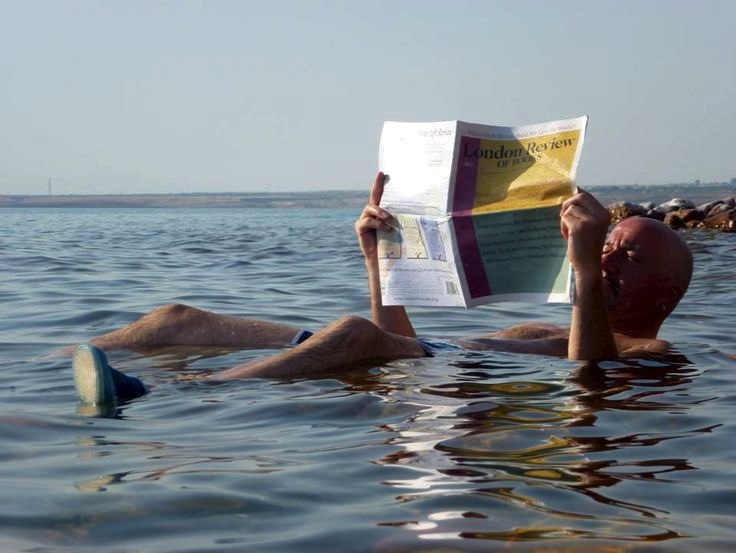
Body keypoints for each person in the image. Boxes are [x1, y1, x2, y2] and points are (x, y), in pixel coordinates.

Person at [71, 173, 693, 406]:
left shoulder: (648, 353)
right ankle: (38, 373)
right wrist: (378, 261)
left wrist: (583, 262)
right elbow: (400, 344)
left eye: (626, 252)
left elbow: (589, 373)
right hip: (426, 358)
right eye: (605, 243)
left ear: (663, 295)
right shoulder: (552, 330)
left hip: (430, 369)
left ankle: (157, 394)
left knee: (352, 332)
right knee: (177, 318)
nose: (607, 254)